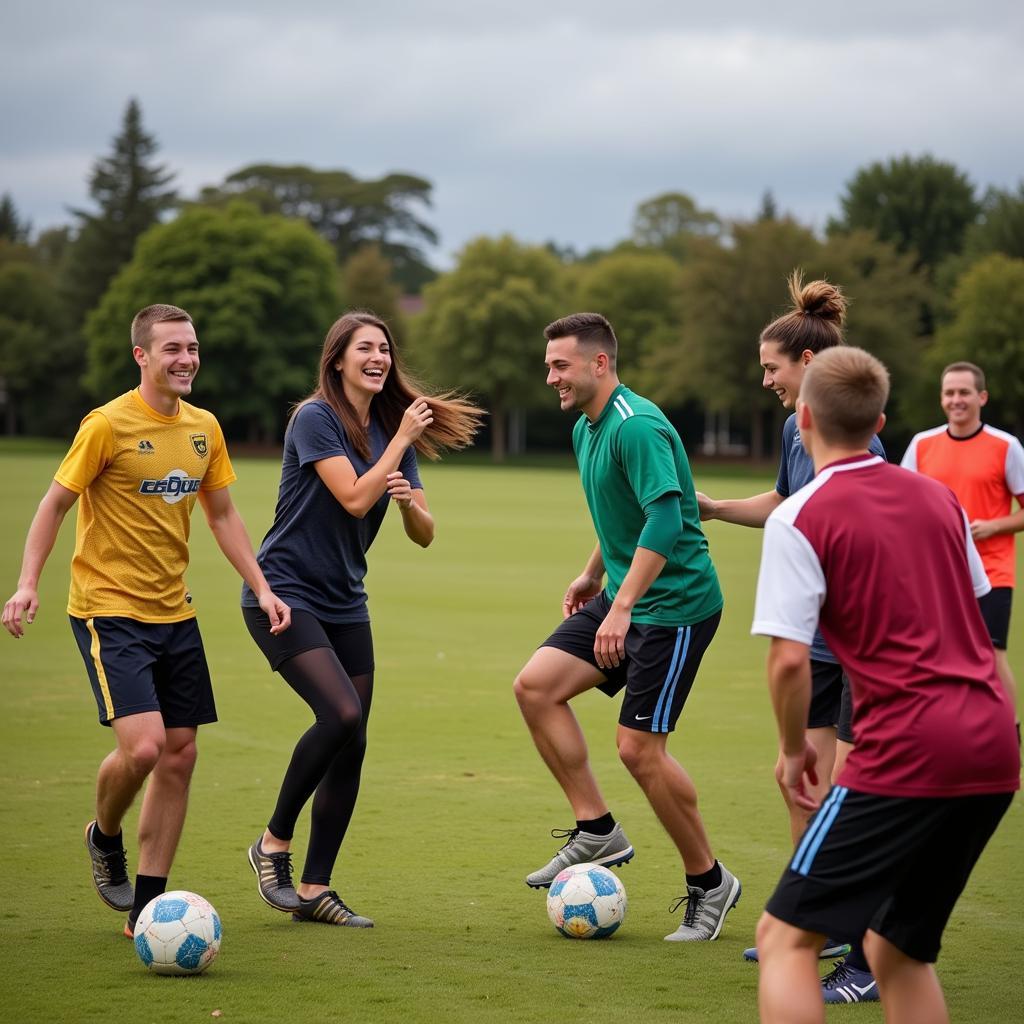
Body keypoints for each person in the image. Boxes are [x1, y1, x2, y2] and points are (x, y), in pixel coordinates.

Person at [1, 303, 291, 938]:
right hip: (109, 610)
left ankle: (147, 909)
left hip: (175, 611)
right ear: (142, 356)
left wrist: (262, 586)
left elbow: (221, 516)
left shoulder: (204, 428)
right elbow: (54, 506)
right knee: (146, 746)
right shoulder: (106, 425)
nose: (186, 358)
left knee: (180, 755)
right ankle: (104, 835)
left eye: (191, 347)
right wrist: (27, 584)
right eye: (171, 349)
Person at [751, 346, 1018, 1024]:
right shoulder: (941, 501)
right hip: (993, 742)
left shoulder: (800, 515)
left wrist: (791, 751)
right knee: (898, 950)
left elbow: (787, 662)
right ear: (880, 420)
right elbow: (986, 639)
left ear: (804, 417)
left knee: (783, 939)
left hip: (907, 747)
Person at [243, 311, 482, 928]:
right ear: (339, 361)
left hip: (347, 600)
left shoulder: (386, 426)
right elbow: (351, 495)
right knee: (341, 713)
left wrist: (407, 505)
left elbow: (426, 533)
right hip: (284, 593)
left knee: (354, 742)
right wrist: (399, 442)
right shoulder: (315, 418)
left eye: (384, 349)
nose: (378, 357)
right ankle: (272, 844)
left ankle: (316, 889)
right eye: (365, 349)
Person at [513, 312, 739, 943]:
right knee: (535, 687)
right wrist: (593, 576)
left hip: (676, 607)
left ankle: (709, 883)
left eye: (560, 364)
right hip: (623, 594)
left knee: (640, 750)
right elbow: (623, 513)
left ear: (599, 364)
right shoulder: (588, 426)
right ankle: (597, 829)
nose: (550, 376)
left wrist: (620, 608)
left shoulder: (634, 427)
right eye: (550, 364)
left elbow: (666, 523)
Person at [697, 274, 884, 987]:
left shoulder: (857, 434)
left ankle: (863, 944)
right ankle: (811, 920)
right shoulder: (791, 429)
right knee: (801, 783)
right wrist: (716, 508)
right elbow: (784, 501)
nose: (766, 378)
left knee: (853, 793)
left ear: (808, 366)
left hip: (856, 648)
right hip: (814, 641)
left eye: (772, 366)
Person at [901, 361, 1024, 719]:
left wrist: (994, 527)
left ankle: (1008, 735)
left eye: (964, 392)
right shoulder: (922, 445)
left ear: (981, 397)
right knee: (935, 658)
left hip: (992, 573)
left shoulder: (1006, 446)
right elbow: (904, 505)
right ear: (942, 398)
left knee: (992, 655)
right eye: (950, 393)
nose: (957, 400)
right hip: (935, 575)